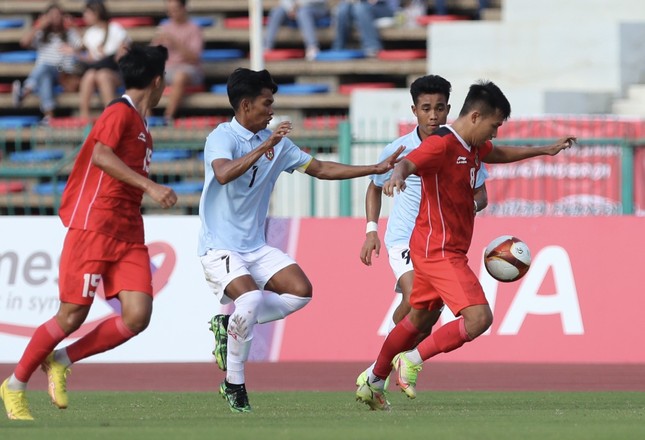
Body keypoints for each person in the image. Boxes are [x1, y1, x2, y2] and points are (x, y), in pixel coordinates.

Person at [355, 80, 576, 410]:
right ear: (475, 117)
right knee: (479, 319)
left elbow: (498, 153)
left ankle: (373, 381)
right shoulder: (442, 145)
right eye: (494, 125)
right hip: (440, 251)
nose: (495, 133)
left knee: (418, 319)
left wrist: (544, 149)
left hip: (437, 247)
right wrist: (398, 174)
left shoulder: (472, 146)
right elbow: (409, 162)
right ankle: (412, 360)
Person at [199, 67, 403, 413]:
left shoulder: (279, 145)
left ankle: (227, 324)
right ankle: (234, 385)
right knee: (248, 300)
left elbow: (321, 169)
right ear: (245, 105)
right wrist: (267, 145)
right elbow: (222, 174)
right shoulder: (223, 137)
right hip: (218, 246)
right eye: (266, 103)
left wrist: (374, 168)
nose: (272, 109)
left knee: (299, 293)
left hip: (254, 246)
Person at [0, 45, 177, 421]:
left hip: (127, 231)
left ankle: (61, 359)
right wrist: (151, 188)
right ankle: (14, 385)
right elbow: (100, 155)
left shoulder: (143, 126)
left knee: (137, 315)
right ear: (158, 81)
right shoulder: (119, 112)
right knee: (71, 316)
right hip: (95, 224)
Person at [356, 74, 489, 396]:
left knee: (424, 316)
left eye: (440, 108)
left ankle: (380, 370)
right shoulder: (400, 148)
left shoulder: (461, 144)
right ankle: (385, 366)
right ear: (414, 110)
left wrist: (465, 203)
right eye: (426, 108)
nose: (433, 115)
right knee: (412, 292)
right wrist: (371, 230)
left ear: (449, 109)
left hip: (441, 239)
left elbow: (481, 194)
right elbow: (374, 188)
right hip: (404, 238)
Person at [12, 2, 82, 124]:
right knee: (45, 75)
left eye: (58, 15)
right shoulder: (42, 34)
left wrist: (74, 26)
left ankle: (24, 91)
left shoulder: (70, 33)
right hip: (45, 73)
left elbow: (84, 44)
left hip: (63, 73)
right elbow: (24, 42)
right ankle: (49, 118)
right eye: (52, 15)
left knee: (44, 67)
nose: (55, 18)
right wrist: (39, 26)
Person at [151, 0, 204, 123]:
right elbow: (153, 54)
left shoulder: (194, 28)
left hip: (190, 69)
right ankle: (147, 118)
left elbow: (194, 57)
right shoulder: (164, 27)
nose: (172, 13)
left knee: (180, 76)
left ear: (184, 8)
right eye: (169, 10)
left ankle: (167, 117)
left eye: (175, 10)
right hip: (167, 69)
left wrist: (174, 42)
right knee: (146, 75)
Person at [78, 0, 131, 120]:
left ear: (96, 13)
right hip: (97, 69)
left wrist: (112, 54)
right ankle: (84, 116)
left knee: (102, 75)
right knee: (90, 75)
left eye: (87, 13)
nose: (84, 16)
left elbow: (123, 53)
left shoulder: (115, 29)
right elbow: (90, 58)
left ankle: (111, 115)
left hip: (116, 72)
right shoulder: (89, 33)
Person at [264, 0, 331, 61]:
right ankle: (267, 48)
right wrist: (290, 8)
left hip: (316, 9)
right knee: (277, 11)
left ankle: (312, 48)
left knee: (303, 12)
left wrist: (298, 4)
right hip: (294, 10)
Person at [332, 0, 399, 57]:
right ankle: (338, 48)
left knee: (360, 8)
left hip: (383, 7)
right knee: (343, 8)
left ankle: (372, 47)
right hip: (359, 7)